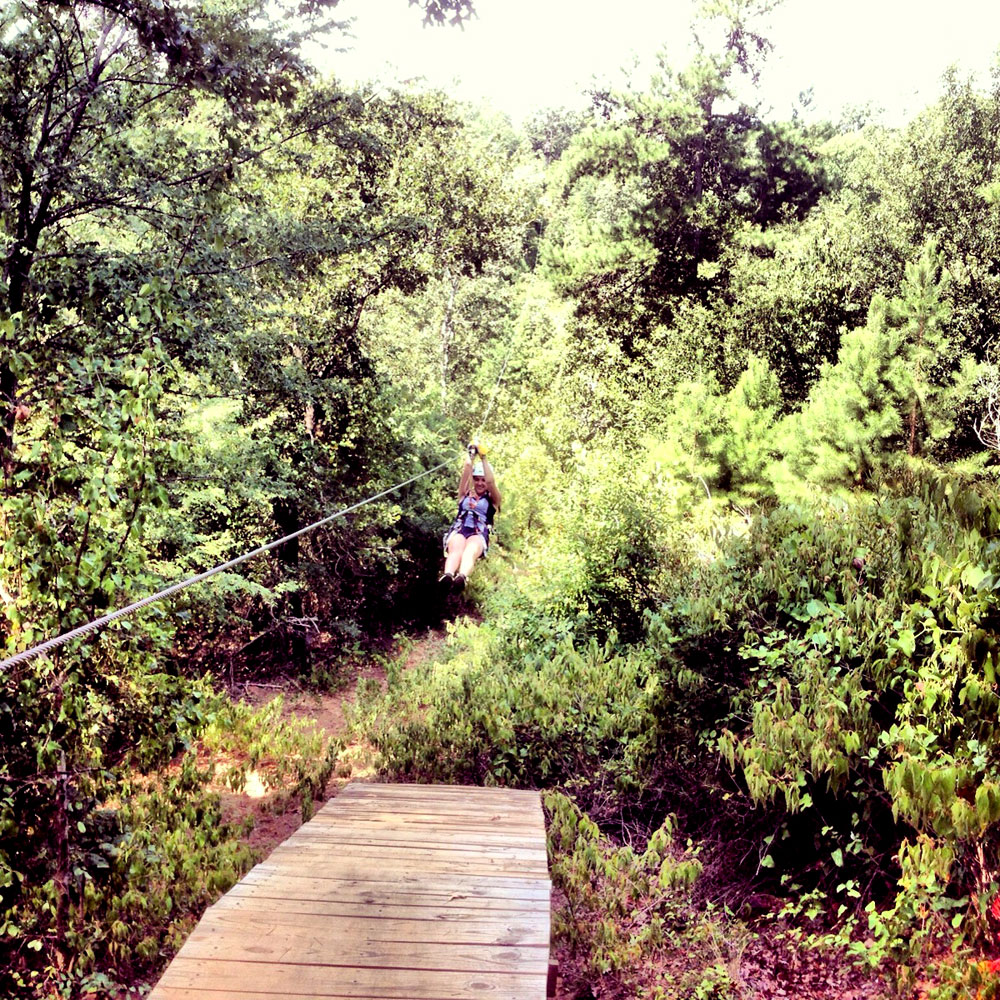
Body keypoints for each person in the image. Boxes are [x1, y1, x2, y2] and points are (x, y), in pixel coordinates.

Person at [438, 444, 502, 593]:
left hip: (478, 534)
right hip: (460, 530)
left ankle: (462, 578)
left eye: (483, 480)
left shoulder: (493, 500)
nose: (480, 483)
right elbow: (466, 469)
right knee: (456, 550)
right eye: (477, 479)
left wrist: (483, 457)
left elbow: (491, 483)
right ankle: (447, 576)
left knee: (469, 552)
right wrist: (471, 455)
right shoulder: (464, 495)